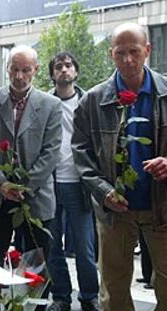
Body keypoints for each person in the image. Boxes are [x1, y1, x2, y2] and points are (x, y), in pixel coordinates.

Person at [72, 22, 167, 311]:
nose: (128, 59)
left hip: (162, 205)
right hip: (115, 209)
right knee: (113, 286)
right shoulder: (92, 101)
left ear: (147, 51)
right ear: (111, 54)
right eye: (120, 52)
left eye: (134, 51)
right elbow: (81, 153)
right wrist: (103, 191)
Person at [0, 45, 62, 267]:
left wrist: (24, 186)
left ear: (36, 70)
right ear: (7, 68)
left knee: (37, 263)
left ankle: (34, 303)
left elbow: (51, 151)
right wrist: (2, 184)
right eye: (14, 69)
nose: (19, 76)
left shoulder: (51, 105)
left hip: (36, 197)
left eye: (26, 70)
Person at [47, 52, 99, 311]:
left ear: (76, 71)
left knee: (84, 246)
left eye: (68, 66)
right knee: (53, 245)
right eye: (59, 67)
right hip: (50, 183)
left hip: (80, 183)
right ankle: (61, 297)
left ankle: (89, 295)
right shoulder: (45, 103)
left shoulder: (89, 101)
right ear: (52, 74)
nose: (64, 70)